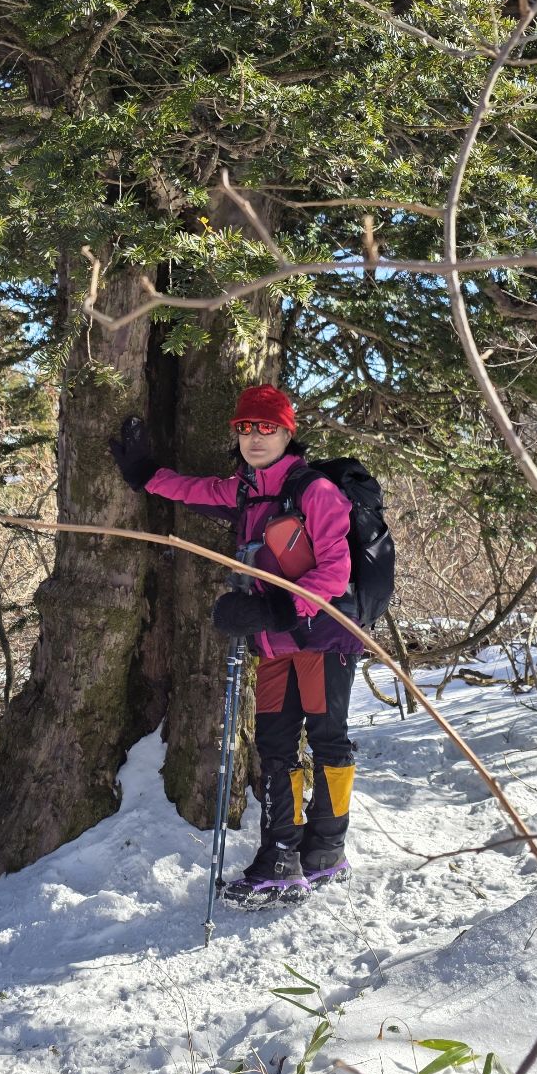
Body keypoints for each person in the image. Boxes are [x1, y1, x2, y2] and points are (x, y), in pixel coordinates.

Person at [109, 384, 363, 903]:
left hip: (322, 637)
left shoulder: (315, 491)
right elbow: (196, 490)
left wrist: (275, 610)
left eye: (267, 428)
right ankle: (282, 855)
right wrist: (145, 475)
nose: (254, 437)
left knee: (328, 741)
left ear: (288, 433)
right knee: (275, 746)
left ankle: (326, 849)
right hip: (273, 644)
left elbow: (336, 571)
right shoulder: (247, 491)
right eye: (245, 428)